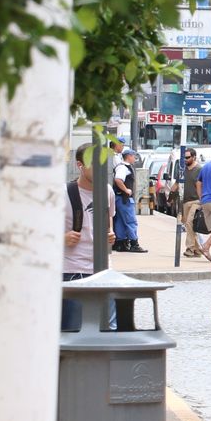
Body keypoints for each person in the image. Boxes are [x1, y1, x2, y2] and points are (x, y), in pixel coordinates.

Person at [63, 142, 116, 331]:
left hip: (102, 270)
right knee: (73, 331)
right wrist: (62, 238)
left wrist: (110, 235)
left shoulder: (107, 191)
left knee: (107, 331)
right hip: (72, 271)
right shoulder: (64, 193)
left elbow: (107, 225)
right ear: (80, 165)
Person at [111, 147, 146, 253]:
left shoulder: (123, 167)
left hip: (120, 198)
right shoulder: (123, 168)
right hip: (124, 199)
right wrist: (126, 190)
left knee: (120, 221)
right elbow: (118, 179)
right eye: (133, 156)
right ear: (129, 156)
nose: (135, 158)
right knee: (131, 221)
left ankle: (121, 243)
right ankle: (134, 243)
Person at [180, 148, 205, 258]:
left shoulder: (199, 169)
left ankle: (189, 248)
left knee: (190, 223)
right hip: (185, 201)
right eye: (184, 158)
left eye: (187, 157)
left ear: (194, 157)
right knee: (189, 226)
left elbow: (203, 184)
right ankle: (198, 249)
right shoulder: (183, 170)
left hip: (197, 201)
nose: (185, 160)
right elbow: (177, 183)